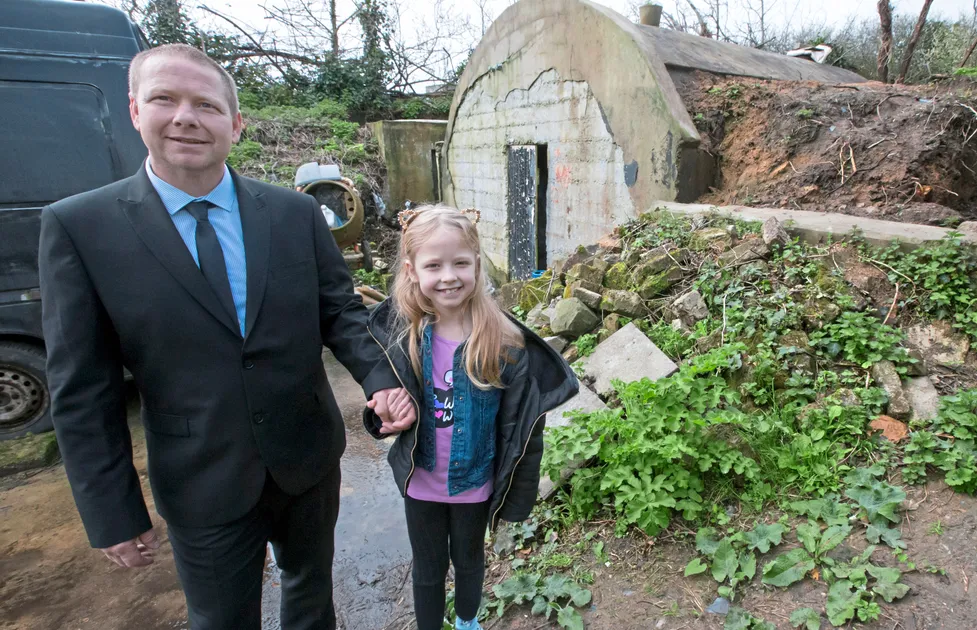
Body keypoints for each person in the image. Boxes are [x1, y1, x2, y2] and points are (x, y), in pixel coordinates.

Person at [38, 43, 415, 630]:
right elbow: (81, 388)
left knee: (312, 600)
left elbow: (341, 312)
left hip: (307, 458)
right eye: (165, 99)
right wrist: (111, 511)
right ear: (135, 111)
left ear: (235, 124)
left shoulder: (292, 215)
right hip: (199, 475)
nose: (187, 116)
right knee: (219, 619)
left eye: (207, 105)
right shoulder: (81, 228)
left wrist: (382, 380)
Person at [363, 206, 578, 630]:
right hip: (419, 482)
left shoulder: (503, 343)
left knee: (468, 561)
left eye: (460, 263)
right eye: (433, 265)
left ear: (477, 265)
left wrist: (519, 497)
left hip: (474, 483)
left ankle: (466, 622)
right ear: (411, 271)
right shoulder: (400, 336)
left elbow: (524, 430)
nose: (448, 276)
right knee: (426, 568)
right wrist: (383, 420)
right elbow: (379, 403)